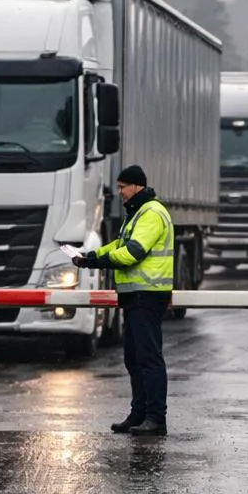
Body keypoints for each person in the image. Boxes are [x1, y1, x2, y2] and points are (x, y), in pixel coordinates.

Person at [73, 165, 174, 436]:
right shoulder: (137, 213)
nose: (120, 193)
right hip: (134, 295)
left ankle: (156, 418)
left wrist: (97, 261)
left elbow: (132, 253)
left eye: (123, 187)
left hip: (148, 295)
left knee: (149, 358)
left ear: (137, 186)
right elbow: (118, 245)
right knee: (134, 358)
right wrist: (90, 256)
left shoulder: (152, 213)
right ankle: (139, 414)